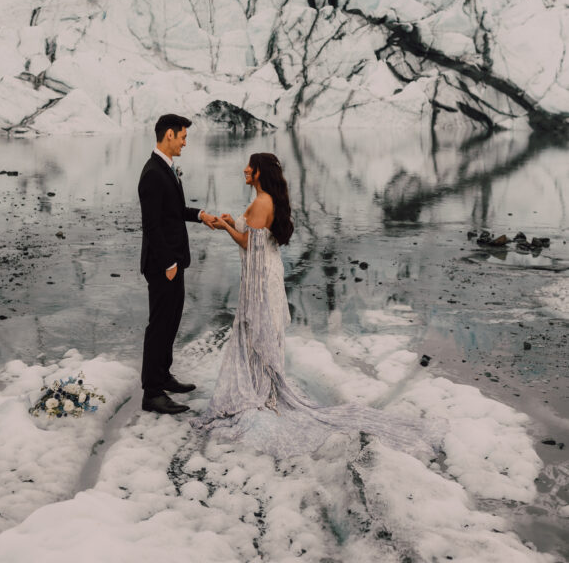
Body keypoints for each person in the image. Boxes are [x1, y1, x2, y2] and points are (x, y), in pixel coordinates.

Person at [192, 152, 437, 458]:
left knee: (256, 331)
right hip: (267, 272)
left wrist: (229, 229)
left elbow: (249, 248)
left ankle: (260, 391)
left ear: (258, 172)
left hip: (261, 277)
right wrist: (229, 221)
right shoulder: (265, 200)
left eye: (249, 166)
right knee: (259, 334)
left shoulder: (262, 202)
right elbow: (254, 236)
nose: (244, 169)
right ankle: (263, 387)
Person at [138, 113, 218, 415]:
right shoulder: (152, 174)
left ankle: (163, 375)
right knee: (159, 325)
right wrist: (169, 263)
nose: (185, 142)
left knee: (170, 322)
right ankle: (152, 392)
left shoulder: (165, 169)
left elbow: (172, 211)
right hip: (163, 265)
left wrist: (200, 215)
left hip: (172, 262)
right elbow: (152, 226)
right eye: (183, 136)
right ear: (169, 135)